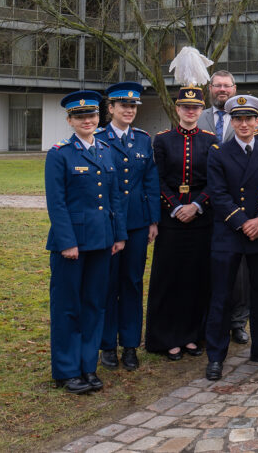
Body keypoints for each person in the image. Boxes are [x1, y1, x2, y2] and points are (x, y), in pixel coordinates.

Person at [45, 90, 126, 394]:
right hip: (72, 245)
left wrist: (119, 235)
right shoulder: (59, 154)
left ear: (99, 117)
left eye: (92, 116)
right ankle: (66, 371)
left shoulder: (105, 151)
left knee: (95, 305)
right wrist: (67, 242)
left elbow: (115, 197)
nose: (87, 121)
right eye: (80, 117)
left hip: (102, 242)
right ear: (70, 120)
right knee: (68, 307)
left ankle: (87, 366)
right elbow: (57, 203)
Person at [204, 94, 258, 381]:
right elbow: (218, 193)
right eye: (238, 119)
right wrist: (242, 221)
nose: (244, 123)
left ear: (257, 121)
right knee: (222, 296)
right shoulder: (219, 153)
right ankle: (216, 356)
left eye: (249, 118)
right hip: (229, 233)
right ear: (232, 122)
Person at [146, 85, 217, 362]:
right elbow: (158, 179)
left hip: (201, 219)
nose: (190, 111)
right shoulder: (162, 140)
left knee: (196, 279)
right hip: (171, 220)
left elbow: (215, 180)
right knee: (169, 279)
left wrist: (197, 205)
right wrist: (176, 207)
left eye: (195, 107)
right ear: (177, 109)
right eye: (185, 106)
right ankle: (167, 337)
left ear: (201, 110)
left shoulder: (211, 140)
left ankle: (190, 335)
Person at [98, 82, 159, 372]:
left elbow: (150, 182)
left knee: (133, 283)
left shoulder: (144, 140)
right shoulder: (98, 139)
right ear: (110, 109)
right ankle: (108, 344)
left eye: (133, 106)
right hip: (108, 223)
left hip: (136, 223)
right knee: (108, 284)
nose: (129, 110)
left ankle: (131, 344)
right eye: (123, 106)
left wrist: (153, 220)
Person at [197, 70, 249, 345]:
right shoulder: (200, 116)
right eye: (217, 85)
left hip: (236, 204)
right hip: (204, 203)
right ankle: (209, 319)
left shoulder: (246, 118)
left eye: (227, 86)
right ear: (210, 88)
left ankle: (238, 321)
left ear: (234, 88)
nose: (222, 90)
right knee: (209, 266)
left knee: (240, 270)